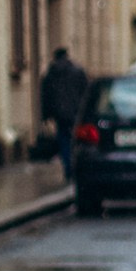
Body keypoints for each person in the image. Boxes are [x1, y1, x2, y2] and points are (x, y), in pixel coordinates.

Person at [39, 46, 89, 180]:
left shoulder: (50, 74)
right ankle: (75, 166)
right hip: (76, 113)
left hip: (59, 114)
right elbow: (85, 92)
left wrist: (45, 115)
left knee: (64, 141)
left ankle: (68, 167)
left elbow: (46, 96)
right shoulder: (78, 72)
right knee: (76, 141)